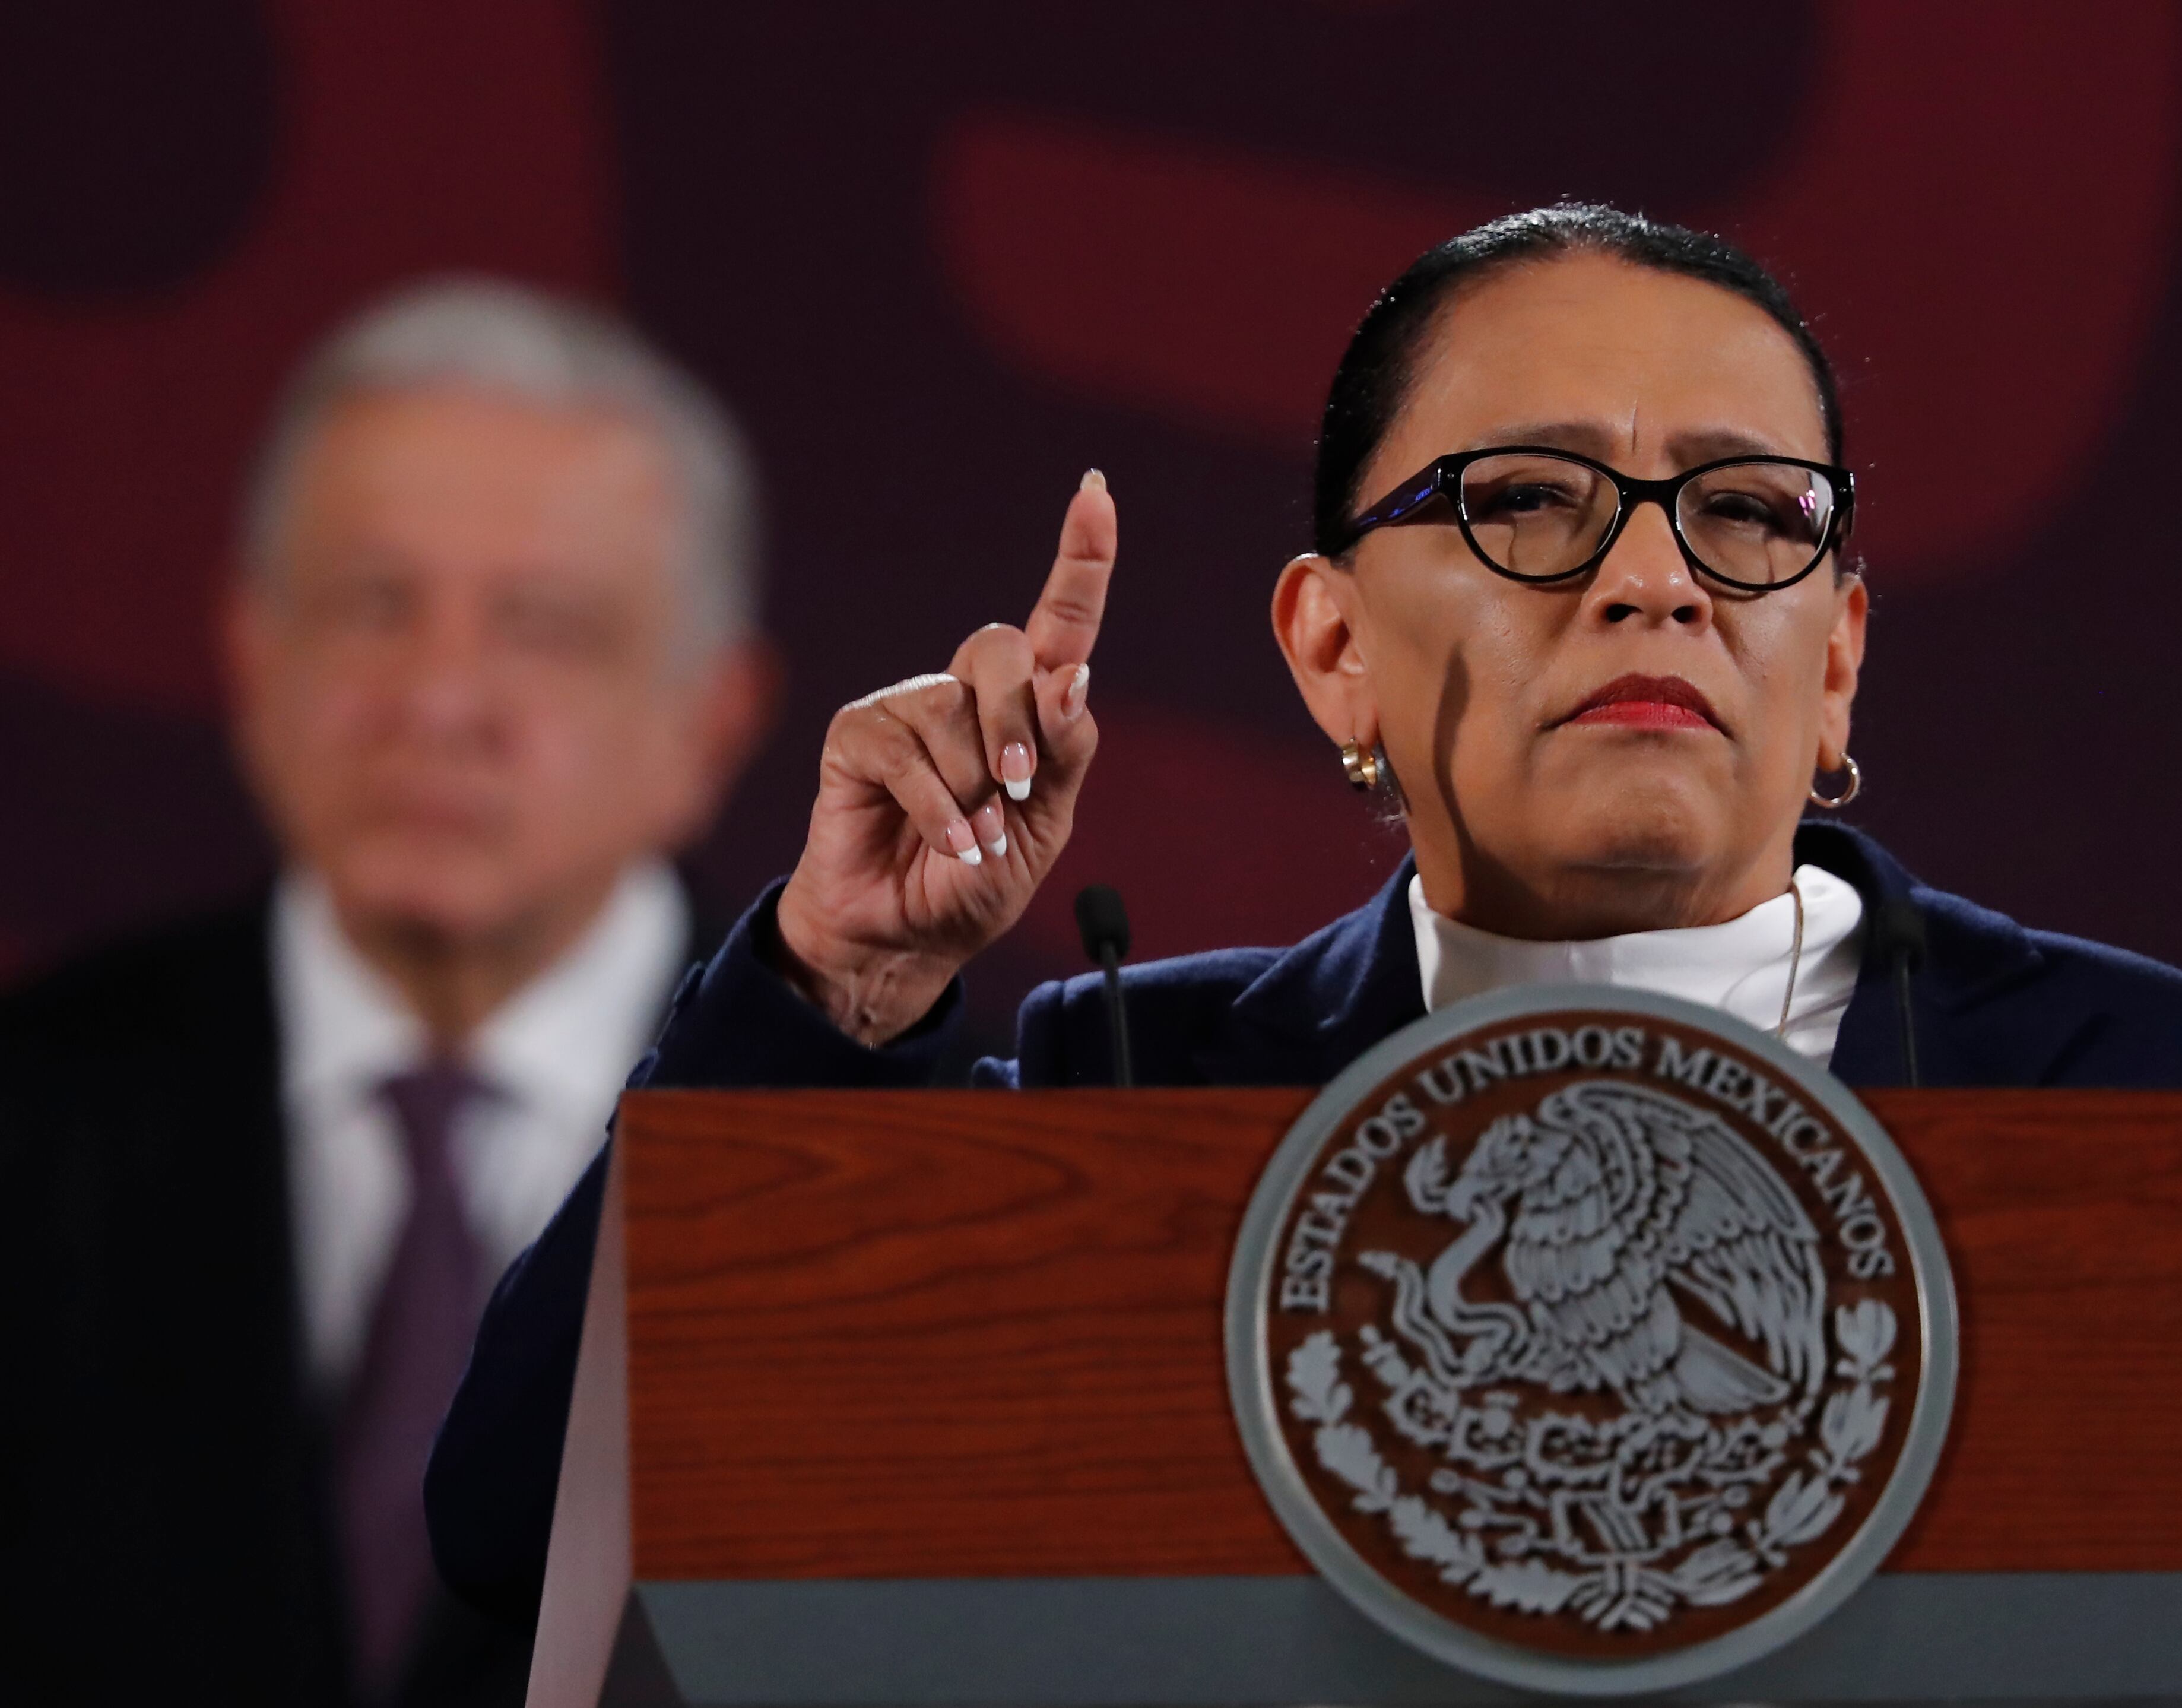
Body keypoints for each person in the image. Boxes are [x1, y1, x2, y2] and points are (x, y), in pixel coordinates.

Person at [424, 204, 2182, 1621]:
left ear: (1838, 665)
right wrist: (836, 979)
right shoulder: (1144, 1095)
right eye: (1527, 502)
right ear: (1332, 649)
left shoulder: (2129, 1092)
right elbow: (526, 1521)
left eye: (1745, 514)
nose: (1654, 580)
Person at [0, 280, 773, 1705]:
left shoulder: (899, 1162)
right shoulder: (34, 1111)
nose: (438, 698)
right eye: (373, 605)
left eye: (539, 626)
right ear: (252, 653)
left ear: (708, 718)